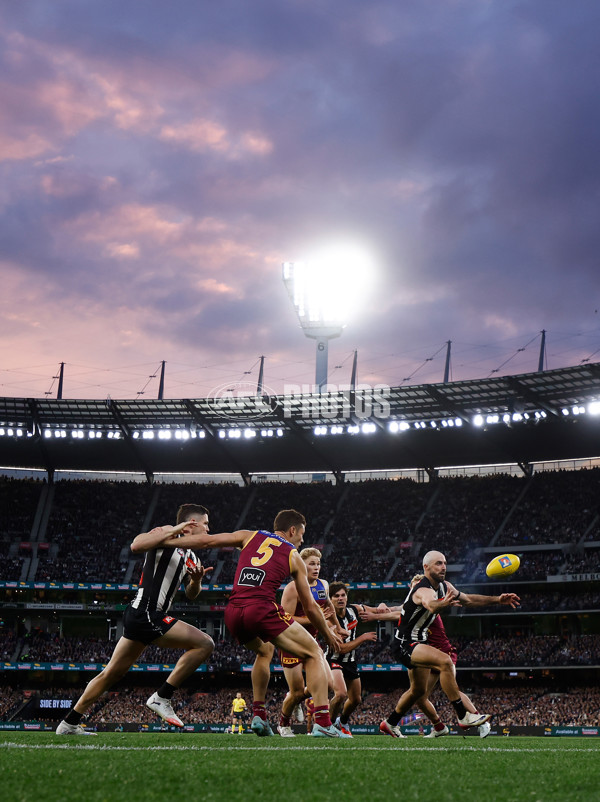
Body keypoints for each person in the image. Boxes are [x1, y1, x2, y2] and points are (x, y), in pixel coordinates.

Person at [162, 508, 346, 738]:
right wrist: (328, 635)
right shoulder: (293, 555)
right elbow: (310, 606)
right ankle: (323, 723)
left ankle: (259, 715)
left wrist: (164, 540)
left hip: (233, 611)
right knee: (314, 653)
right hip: (261, 609)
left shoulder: (250, 535)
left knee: (265, 650)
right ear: (292, 530)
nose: (302, 540)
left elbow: (208, 541)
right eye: (302, 534)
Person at [56, 504, 215, 735]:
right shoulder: (166, 533)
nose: (209, 529)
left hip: (142, 616)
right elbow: (136, 545)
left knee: (111, 673)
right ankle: (163, 696)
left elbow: (191, 595)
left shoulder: (191, 555)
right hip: (147, 613)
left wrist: (197, 581)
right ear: (192, 523)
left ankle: (68, 723)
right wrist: (175, 528)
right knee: (205, 643)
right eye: (206, 523)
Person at [376, 550, 520, 738]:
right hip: (404, 644)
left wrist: (497, 600)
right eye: (438, 563)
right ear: (426, 567)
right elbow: (432, 605)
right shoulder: (422, 589)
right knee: (445, 662)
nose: (443, 567)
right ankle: (463, 716)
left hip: (419, 642)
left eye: (444, 563)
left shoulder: (445, 587)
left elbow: (468, 599)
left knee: (418, 692)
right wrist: (444, 604)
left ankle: (390, 723)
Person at [362, 573, 491, 738]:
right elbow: (398, 610)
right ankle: (430, 726)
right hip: (422, 649)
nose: (422, 589)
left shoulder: (429, 605)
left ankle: (476, 718)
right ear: (412, 589)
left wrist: (377, 616)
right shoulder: (414, 605)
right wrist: (380, 607)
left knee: (450, 687)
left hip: (441, 651)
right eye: (416, 586)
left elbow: (398, 614)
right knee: (419, 694)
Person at [276, 547, 345, 738]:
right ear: (301, 566)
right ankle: (283, 723)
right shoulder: (292, 588)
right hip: (292, 642)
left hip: (312, 642)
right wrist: (315, 619)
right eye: (311, 564)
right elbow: (286, 618)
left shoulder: (323, 584)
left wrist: (337, 627)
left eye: (318, 564)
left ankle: (300, 703)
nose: (316, 568)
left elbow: (328, 607)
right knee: (297, 692)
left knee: (329, 684)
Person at [325, 582, 378, 736]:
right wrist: (363, 637)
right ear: (330, 599)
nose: (341, 598)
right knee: (341, 694)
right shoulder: (329, 620)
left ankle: (342, 722)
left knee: (356, 699)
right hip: (334, 659)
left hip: (350, 661)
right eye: (336, 596)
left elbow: (368, 609)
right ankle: (326, 726)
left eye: (343, 595)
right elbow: (340, 649)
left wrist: (380, 608)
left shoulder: (353, 610)